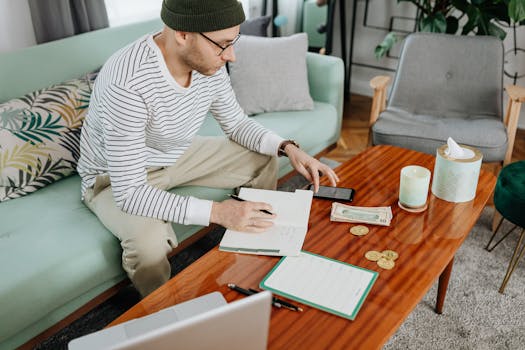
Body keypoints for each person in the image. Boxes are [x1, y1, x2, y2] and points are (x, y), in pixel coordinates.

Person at [77, 0, 338, 297]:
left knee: (263, 157)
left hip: (174, 155)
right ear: (183, 34)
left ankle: (257, 240)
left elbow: (237, 125)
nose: (232, 56)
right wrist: (218, 212)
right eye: (223, 44)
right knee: (147, 245)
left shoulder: (208, 64)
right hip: (113, 179)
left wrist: (287, 147)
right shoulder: (127, 82)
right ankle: (165, 313)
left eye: (233, 42)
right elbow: (130, 193)